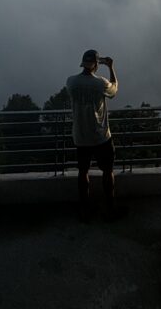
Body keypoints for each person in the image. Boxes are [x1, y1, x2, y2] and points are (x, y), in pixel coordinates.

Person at [66, 49, 118, 220]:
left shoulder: (71, 82)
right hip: (101, 135)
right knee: (108, 171)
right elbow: (114, 90)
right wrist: (111, 67)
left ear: (83, 63)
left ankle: (85, 208)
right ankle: (110, 207)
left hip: (80, 136)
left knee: (83, 172)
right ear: (96, 64)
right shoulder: (100, 84)